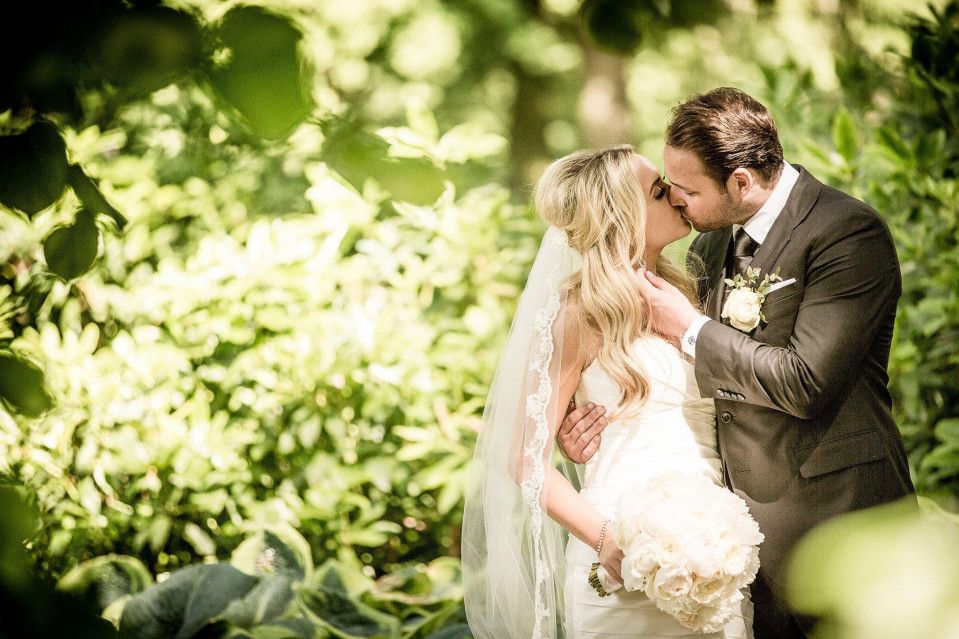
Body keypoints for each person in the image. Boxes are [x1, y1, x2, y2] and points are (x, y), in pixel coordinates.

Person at [557, 87, 915, 639]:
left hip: (839, 522)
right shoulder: (707, 248)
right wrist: (587, 428)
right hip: (727, 547)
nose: (676, 200)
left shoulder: (846, 232)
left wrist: (691, 328)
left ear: (741, 182)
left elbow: (805, 381)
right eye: (666, 188)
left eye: (685, 189)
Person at [461, 144, 754, 639]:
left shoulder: (691, 296)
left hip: (718, 553)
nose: (679, 198)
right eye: (660, 192)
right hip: (621, 558)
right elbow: (521, 458)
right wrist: (609, 542)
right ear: (623, 217)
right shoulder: (579, 313)